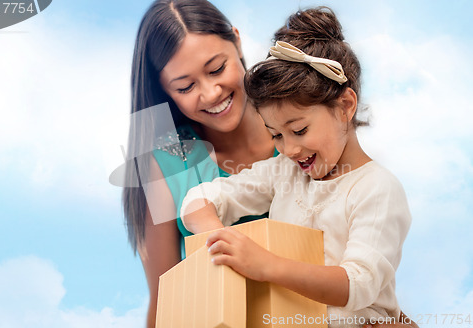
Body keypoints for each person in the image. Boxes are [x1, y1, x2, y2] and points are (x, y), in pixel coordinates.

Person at [180, 7, 418, 328]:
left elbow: (358, 285)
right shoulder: (284, 172)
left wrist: (266, 265)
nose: (289, 149)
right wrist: (220, 239)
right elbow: (200, 200)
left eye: (300, 130)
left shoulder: (376, 189)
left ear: (345, 105)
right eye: (275, 134)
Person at [123, 1, 276, 326]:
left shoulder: (298, 124)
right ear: (165, 90)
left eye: (217, 69)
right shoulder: (166, 163)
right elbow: (165, 298)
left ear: (236, 41)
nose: (210, 93)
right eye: (186, 86)